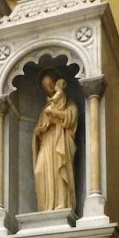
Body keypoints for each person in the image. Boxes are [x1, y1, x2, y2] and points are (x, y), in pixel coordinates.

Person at [32, 70, 78, 212]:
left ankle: (62, 203)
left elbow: (71, 117)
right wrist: (40, 130)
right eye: (45, 86)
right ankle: (45, 207)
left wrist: (56, 114)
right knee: (39, 171)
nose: (49, 88)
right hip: (46, 142)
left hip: (60, 140)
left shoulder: (68, 103)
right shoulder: (44, 109)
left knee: (59, 169)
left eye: (50, 84)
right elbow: (37, 131)